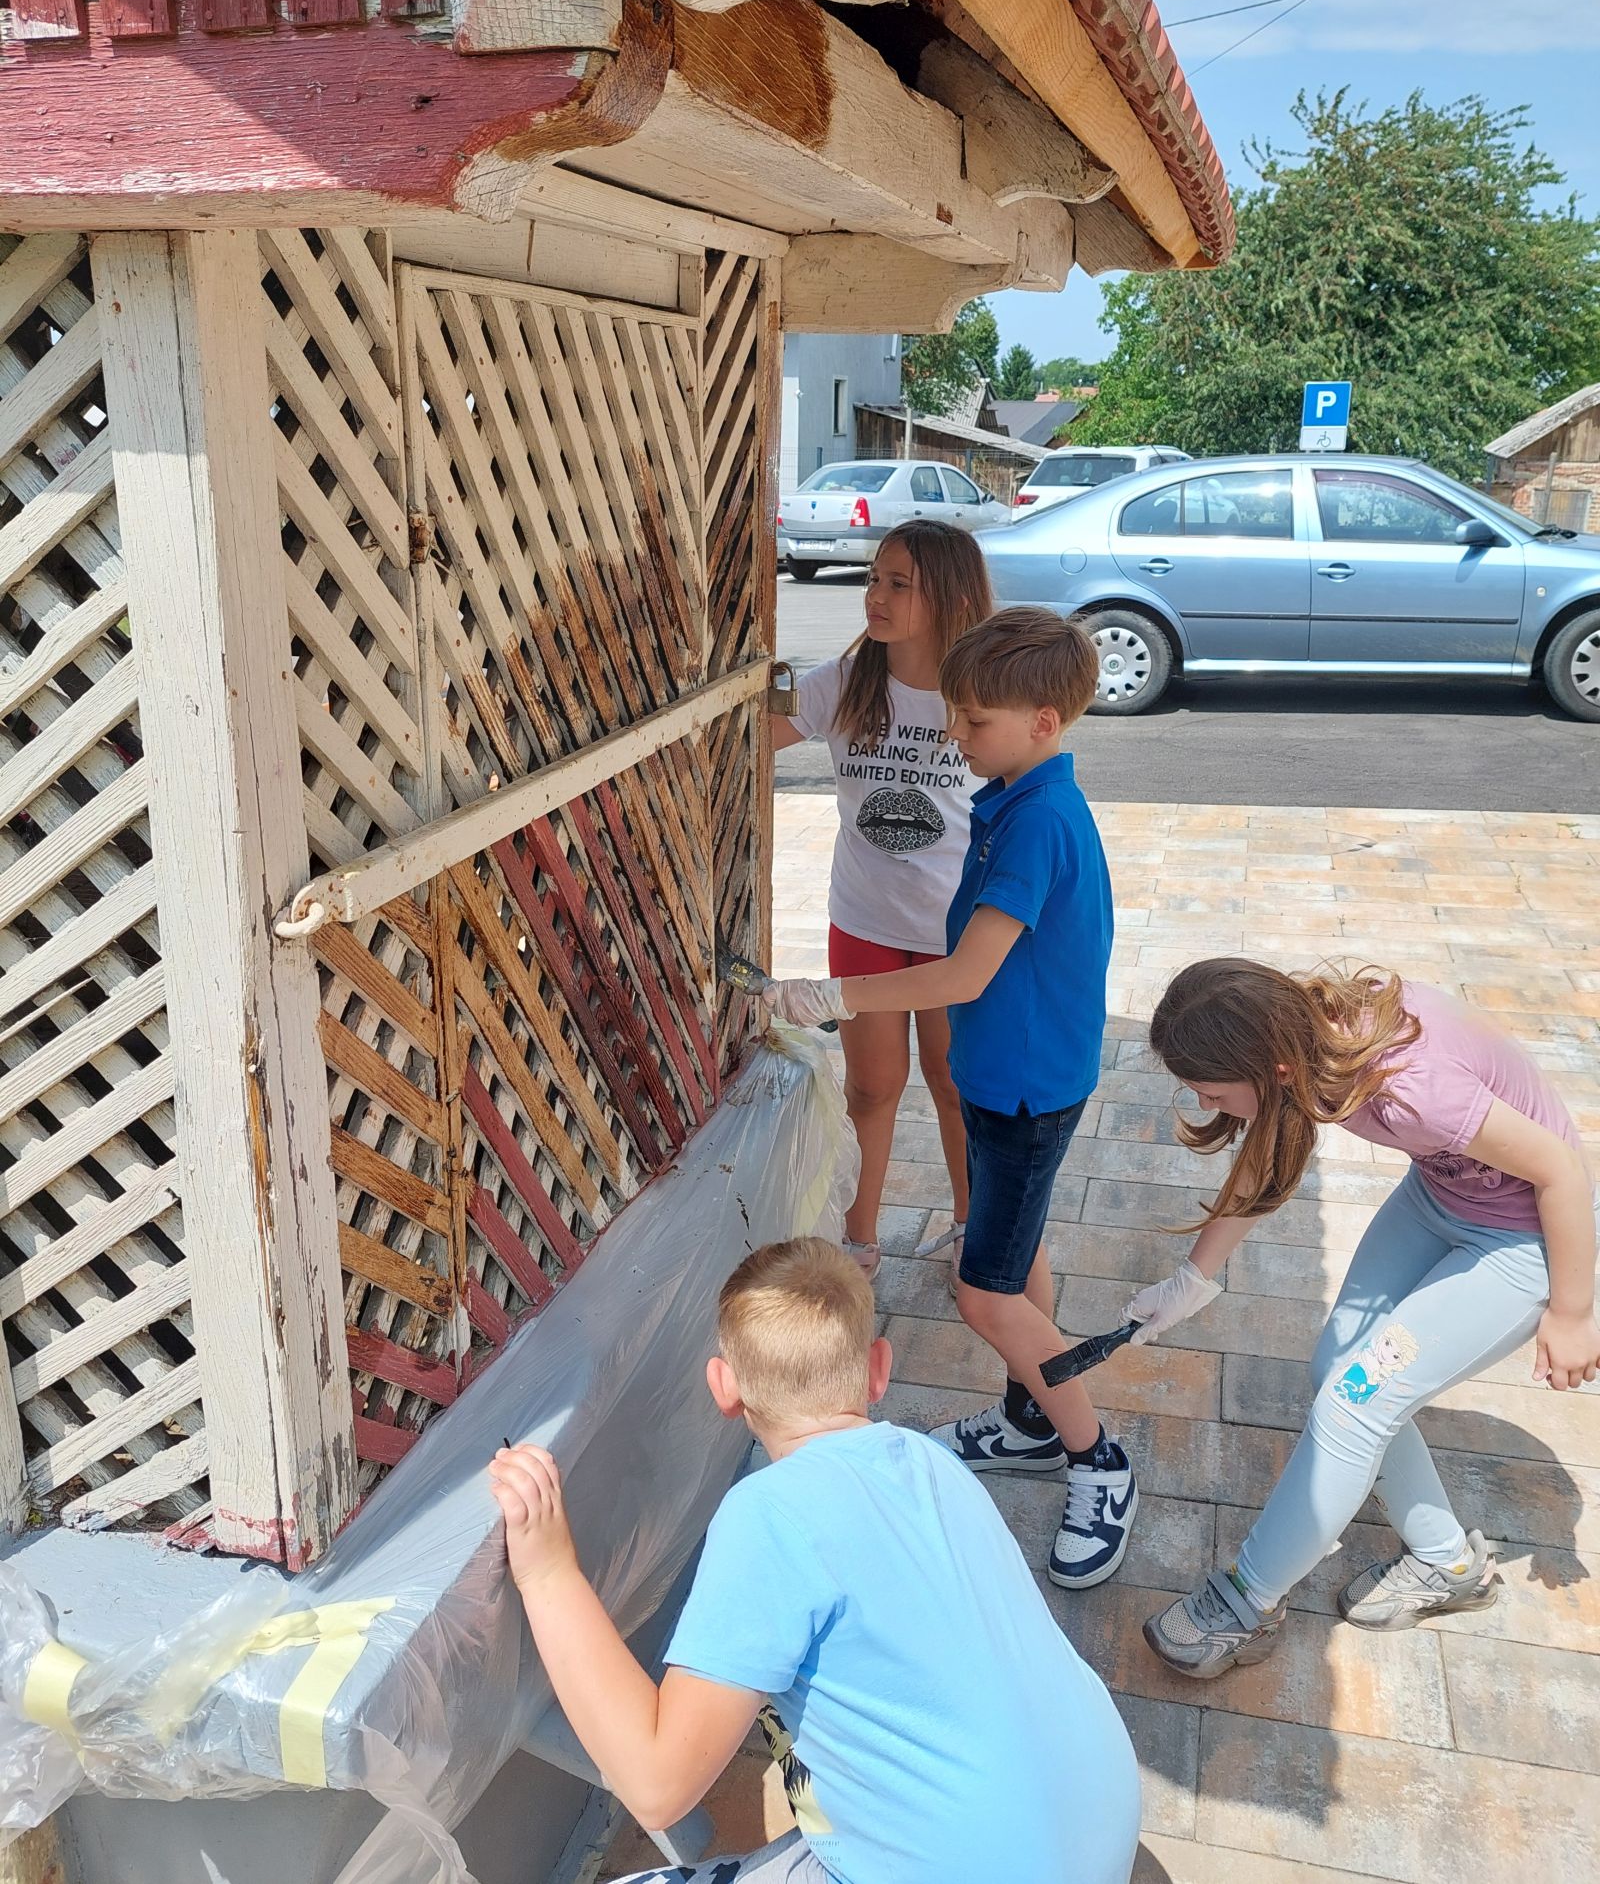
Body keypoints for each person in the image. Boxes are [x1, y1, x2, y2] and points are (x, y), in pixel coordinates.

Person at [489, 1238, 1141, 1884]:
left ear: (723, 1387)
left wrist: (549, 1571)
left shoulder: (766, 1517)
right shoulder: (933, 1462)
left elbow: (658, 1783)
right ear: (877, 1367)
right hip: (1104, 1823)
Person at [762, 609, 1137, 1590]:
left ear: (1044, 721)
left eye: (974, 724)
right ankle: (1026, 1419)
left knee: (984, 1290)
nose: (958, 740)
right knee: (1019, 1256)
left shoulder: (1038, 823)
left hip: (1024, 1090)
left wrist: (838, 995)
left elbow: (965, 974)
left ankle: (1096, 1455)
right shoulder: (1018, 792)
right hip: (1010, 1078)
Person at [1126, 959, 1600, 1677]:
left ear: (1274, 1067)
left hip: (1526, 1234)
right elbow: (1263, 1163)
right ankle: (1449, 1563)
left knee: (1354, 1404)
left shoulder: (1412, 1091)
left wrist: (1572, 1310)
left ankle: (1248, 1601)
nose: (1199, 1098)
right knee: (1340, 1375)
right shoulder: (1307, 1037)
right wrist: (1192, 1278)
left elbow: (1561, 1169)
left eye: (1212, 1088)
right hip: (1440, 1197)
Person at [770, 520, 992, 1281]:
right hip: (863, 917)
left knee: (957, 1085)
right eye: (874, 579)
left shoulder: (978, 692)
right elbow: (750, 736)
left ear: (952, 597)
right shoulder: (844, 681)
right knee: (871, 1086)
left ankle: (974, 1225)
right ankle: (858, 1240)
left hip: (953, 930)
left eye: (901, 584)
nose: (877, 595)